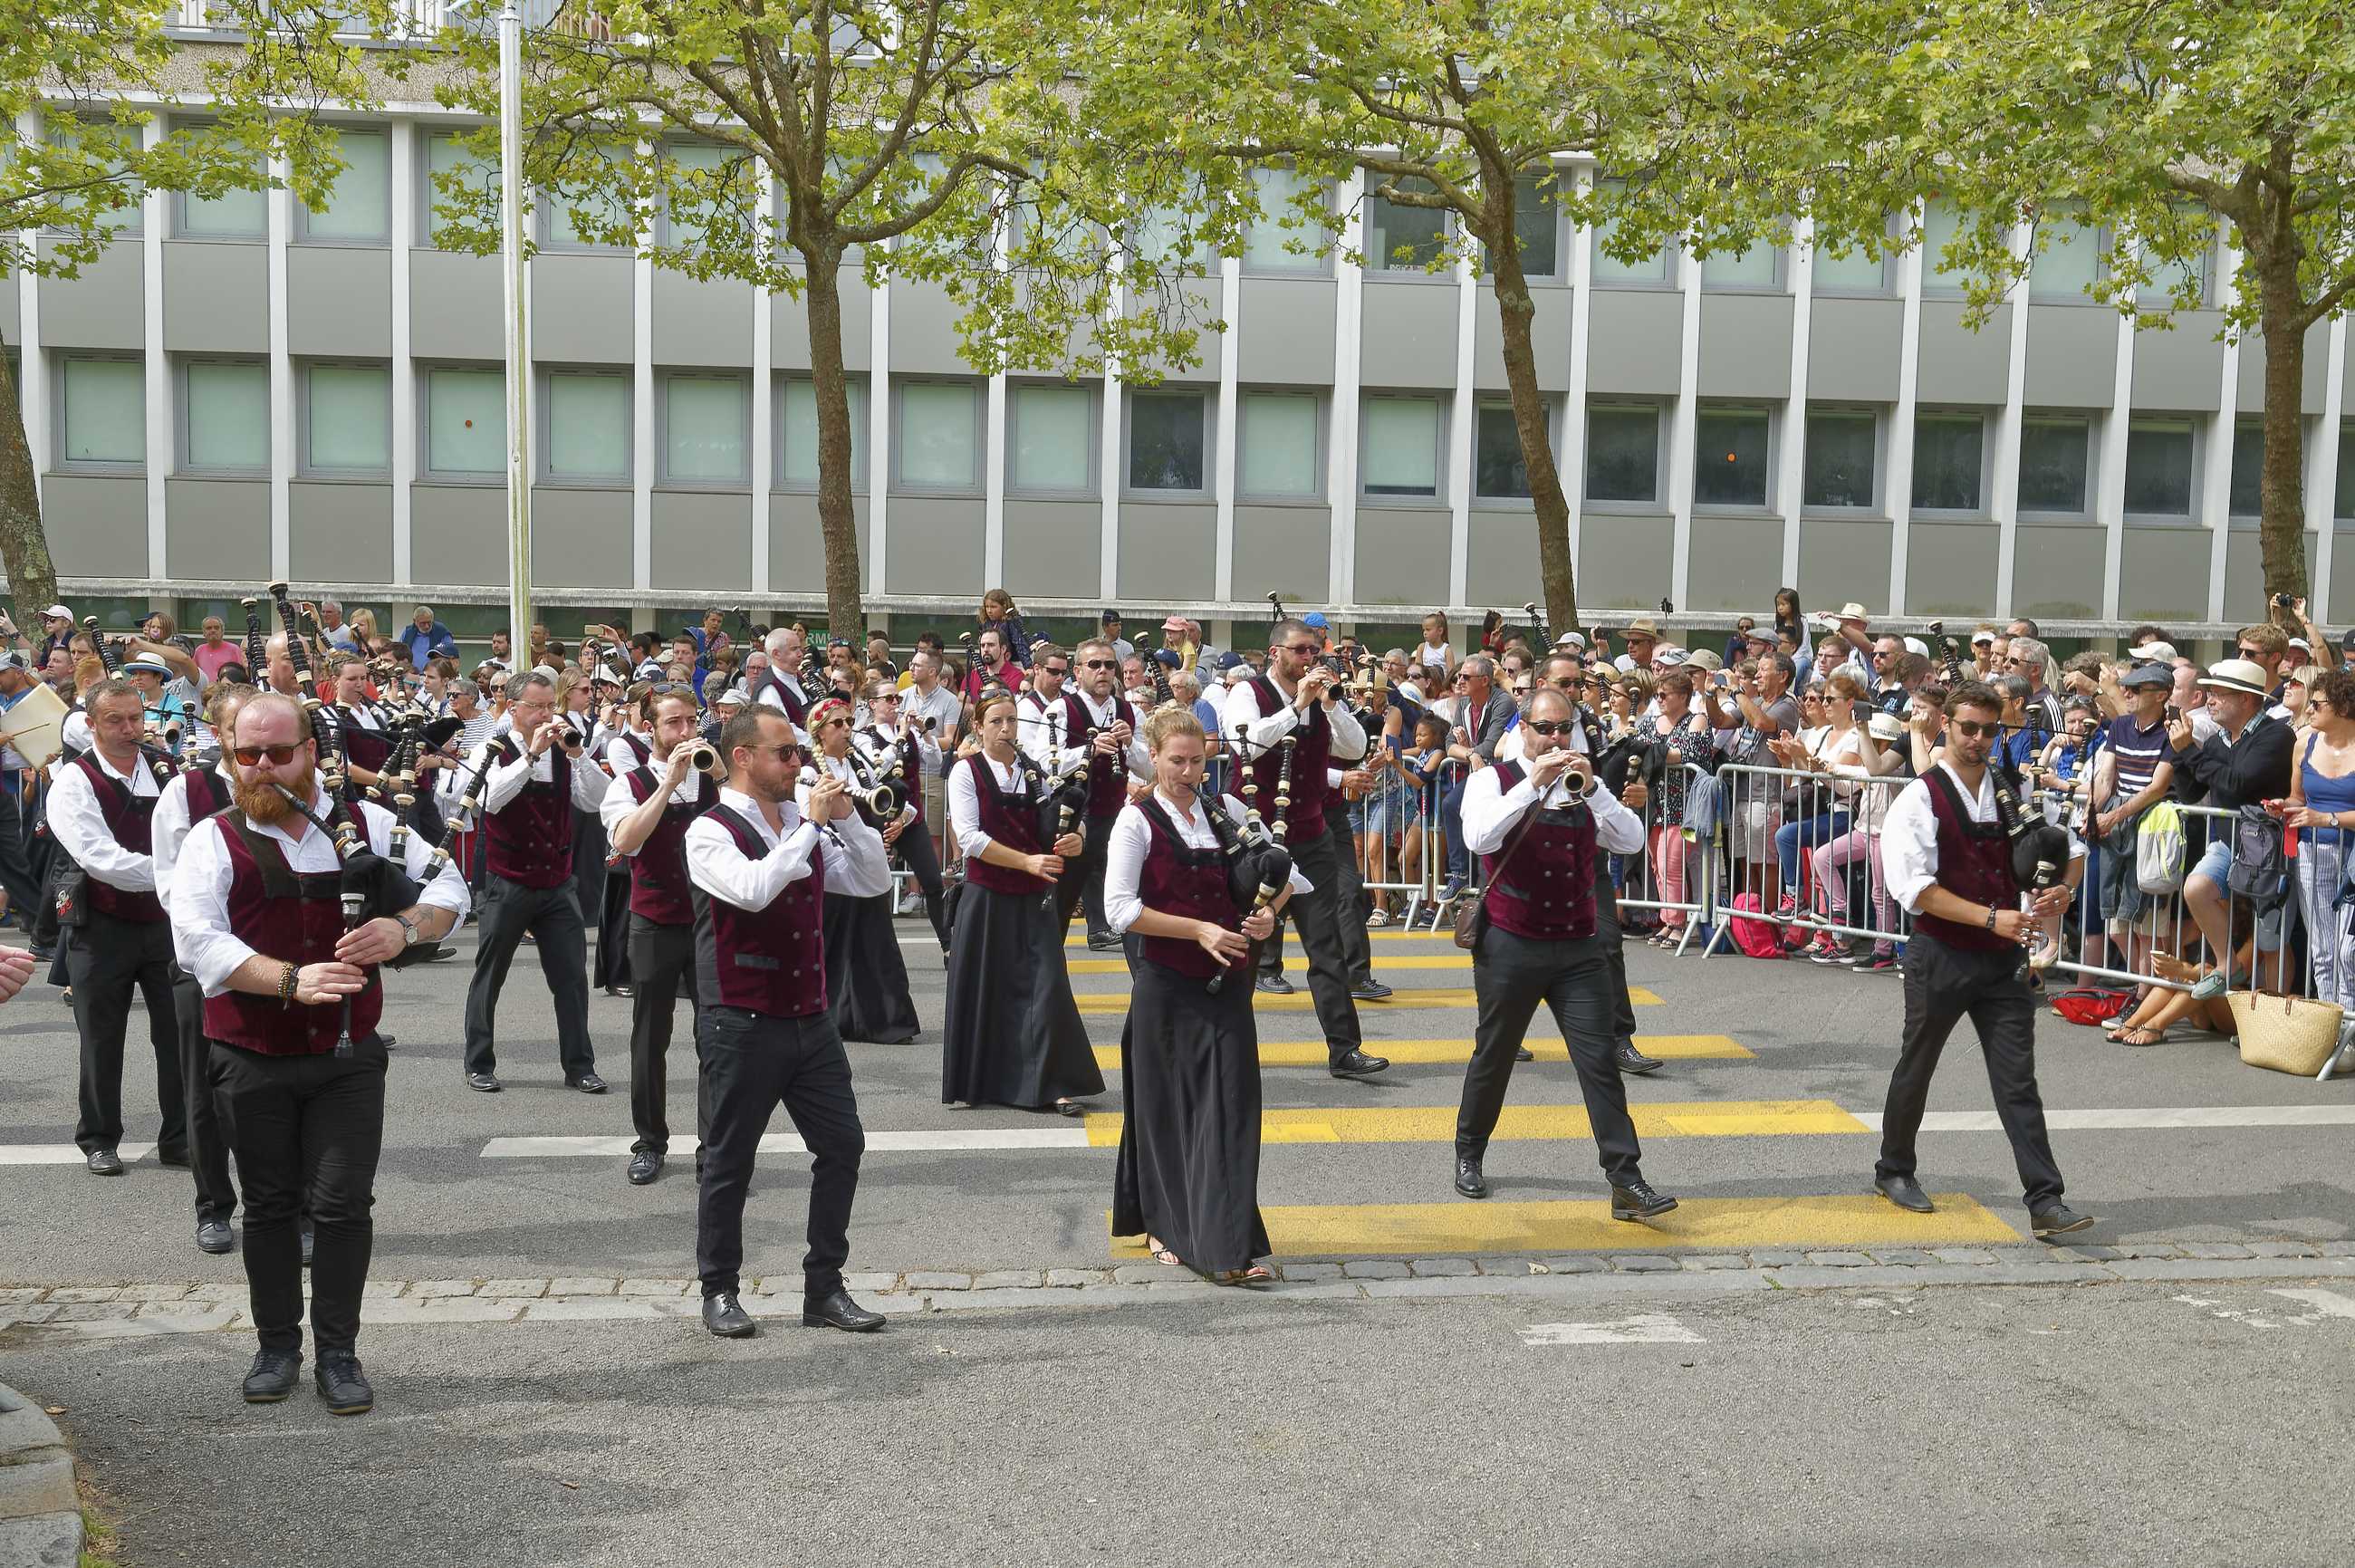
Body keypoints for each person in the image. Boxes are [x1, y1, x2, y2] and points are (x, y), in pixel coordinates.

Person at [172, 691, 467, 1412]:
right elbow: (196, 940)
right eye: (247, 753)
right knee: (270, 1205)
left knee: (342, 1206)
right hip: (250, 1052)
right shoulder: (212, 837)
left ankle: (339, 1352)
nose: (261, 766)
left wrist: (404, 929)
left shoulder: (368, 824)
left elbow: (452, 887)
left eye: (277, 752)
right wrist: (289, 980)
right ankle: (277, 1347)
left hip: (347, 1056)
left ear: (310, 752)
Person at [686, 705, 888, 1339]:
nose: (797, 763)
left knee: (843, 1145)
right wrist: (811, 827)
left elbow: (872, 879)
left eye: (798, 752)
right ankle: (719, 1288)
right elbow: (752, 890)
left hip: (810, 1015)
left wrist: (847, 819)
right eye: (785, 753)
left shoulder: (803, 822)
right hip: (740, 1017)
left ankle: (823, 1285)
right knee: (729, 1159)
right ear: (743, 757)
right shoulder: (708, 830)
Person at [1876, 679, 2091, 1239]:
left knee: (2017, 1080)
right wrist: (1992, 918)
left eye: (1989, 730)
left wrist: (2063, 891)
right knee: (1918, 1064)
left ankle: (2046, 1199)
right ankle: (1894, 1168)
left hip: (2002, 960)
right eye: (1968, 728)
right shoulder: (1920, 796)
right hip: (1942, 953)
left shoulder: (2013, 788)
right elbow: (1915, 889)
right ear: (1945, 726)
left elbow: (2070, 848)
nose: (1978, 739)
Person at [1453, 686, 1674, 1217]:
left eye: (1563, 728)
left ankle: (1626, 1180)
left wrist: (1595, 789)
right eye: (1544, 728)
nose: (1555, 738)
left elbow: (1631, 840)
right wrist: (1531, 785)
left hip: (1577, 946)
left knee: (1599, 1062)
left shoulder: (1585, 785)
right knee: (1495, 1053)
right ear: (1524, 730)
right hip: (1511, 941)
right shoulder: (1493, 780)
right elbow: (1479, 838)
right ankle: (1469, 1151)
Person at [1109, 707, 1305, 1284]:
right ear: (1154, 757)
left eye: (1197, 761)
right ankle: (1165, 1225)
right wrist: (1198, 930)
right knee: (1167, 1110)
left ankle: (1227, 1242)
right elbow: (1120, 910)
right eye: (1177, 760)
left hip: (1226, 986)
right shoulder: (1136, 820)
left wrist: (1269, 914)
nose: (1188, 771)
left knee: (1232, 1109)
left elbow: (1290, 877)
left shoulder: (1229, 812)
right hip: (1166, 984)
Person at [1220, 620, 1388, 1081]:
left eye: (1314, 651)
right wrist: (1297, 705)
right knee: (1246, 943)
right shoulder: (1248, 692)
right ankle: (1227, 1047)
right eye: (1300, 650)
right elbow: (1248, 744)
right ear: (1276, 653)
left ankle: (1345, 1049)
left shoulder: (1320, 698)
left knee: (1326, 943)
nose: (1309, 658)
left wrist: (1329, 705)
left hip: (1311, 834)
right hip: (1255, 835)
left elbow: (1354, 747)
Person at [941, 691, 1103, 1114]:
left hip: (1033, 898)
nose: (1006, 729)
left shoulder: (1032, 773)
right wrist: (1027, 861)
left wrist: (1076, 837)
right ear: (978, 727)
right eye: (996, 721)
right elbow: (970, 838)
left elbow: (1069, 818)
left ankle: (1055, 1085)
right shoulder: (965, 772)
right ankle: (991, 1082)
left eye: (1011, 720)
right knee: (990, 991)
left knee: (1048, 987)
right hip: (986, 898)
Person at [48, 679, 183, 1177]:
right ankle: (99, 1138)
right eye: (115, 720)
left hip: (165, 923)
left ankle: (180, 1138)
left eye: (135, 719)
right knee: (102, 1037)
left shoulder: (167, 771)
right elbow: (98, 858)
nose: (130, 729)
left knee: (179, 1035)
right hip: (100, 927)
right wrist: (176, 875)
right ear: (90, 724)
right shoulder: (73, 781)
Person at [460, 671, 610, 1093]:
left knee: (571, 979)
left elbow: (597, 800)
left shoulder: (563, 751)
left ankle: (579, 1066)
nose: (546, 715)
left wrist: (578, 754)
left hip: (557, 882)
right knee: (490, 974)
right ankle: (478, 1062)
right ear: (513, 709)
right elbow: (490, 800)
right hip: (508, 880)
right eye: (537, 707)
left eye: (550, 706)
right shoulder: (492, 748)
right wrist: (529, 756)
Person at [601, 685, 725, 1186]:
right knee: (650, 1038)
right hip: (654, 922)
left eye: (692, 720)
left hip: (710, 923)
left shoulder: (712, 778)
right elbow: (625, 841)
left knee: (715, 1038)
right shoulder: (629, 782)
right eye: (675, 722)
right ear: (650, 728)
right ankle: (650, 1142)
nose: (686, 731)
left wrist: (721, 777)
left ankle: (714, 1150)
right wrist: (668, 782)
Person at [150, 682, 255, 1253]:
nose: (256, 744)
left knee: (280, 1088)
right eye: (240, 730)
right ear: (218, 735)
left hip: (276, 958)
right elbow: (170, 882)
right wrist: (219, 942)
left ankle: (291, 1208)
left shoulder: (292, 786)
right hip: (202, 961)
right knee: (204, 1089)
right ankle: (213, 1206)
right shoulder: (185, 790)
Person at [2168, 658, 2296, 999]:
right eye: (2209, 692)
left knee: (2270, 939)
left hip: (2269, 850)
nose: (2209, 700)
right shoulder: (2216, 741)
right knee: (2197, 888)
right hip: (2230, 843)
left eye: (2218, 693)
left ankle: (2272, 1016)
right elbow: (2192, 793)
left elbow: (2237, 783)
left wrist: (2189, 752)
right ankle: (2228, 965)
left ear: (2246, 699)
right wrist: (2179, 752)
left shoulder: (2276, 735)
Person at [803, 697, 920, 1044]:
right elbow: (811, 820)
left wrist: (898, 822)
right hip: (836, 866)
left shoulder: (861, 764)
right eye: (837, 724)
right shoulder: (810, 773)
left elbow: (898, 802)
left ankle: (885, 1019)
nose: (846, 729)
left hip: (868, 862)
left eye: (849, 722)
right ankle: (838, 1017)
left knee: (875, 946)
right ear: (819, 732)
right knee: (838, 946)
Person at [1058, 637, 1149, 949]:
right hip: (1075, 819)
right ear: (1078, 671)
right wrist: (1089, 750)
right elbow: (1046, 764)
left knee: (1130, 895)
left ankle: (1123, 949)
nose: (1103, 671)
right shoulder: (1062, 708)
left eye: (1110, 665)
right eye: (1094, 664)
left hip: (1116, 815)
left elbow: (1150, 768)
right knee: (1062, 901)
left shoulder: (1130, 711)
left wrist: (1130, 743)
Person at [855, 681, 949, 948]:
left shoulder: (909, 733)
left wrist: (923, 731)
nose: (895, 703)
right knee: (874, 888)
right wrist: (903, 734)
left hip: (910, 816)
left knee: (932, 881)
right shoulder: (863, 736)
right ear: (873, 704)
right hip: (879, 819)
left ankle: (948, 945)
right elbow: (875, 772)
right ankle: (873, 948)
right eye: (889, 699)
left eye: (897, 698)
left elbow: (935, 760)